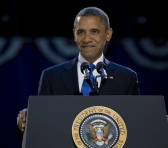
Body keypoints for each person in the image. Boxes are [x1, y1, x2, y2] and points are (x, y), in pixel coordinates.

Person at [15, 7, 140, 140]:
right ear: (74, 34)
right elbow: (41, 127)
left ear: (108, 34)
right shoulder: (51, 76)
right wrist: (24, 123)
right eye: (81, 32)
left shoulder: (127, 78)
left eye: (94, 32)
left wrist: (152, 121)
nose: (87, 39)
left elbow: (135, 125)